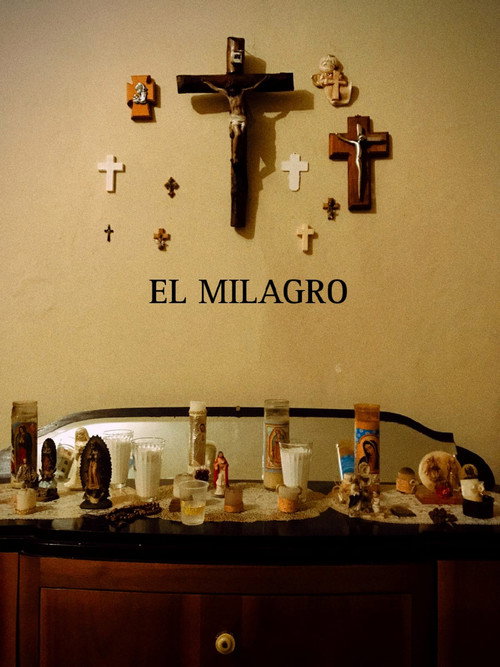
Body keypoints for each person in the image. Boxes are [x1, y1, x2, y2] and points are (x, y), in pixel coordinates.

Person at [202, 76, 268, 163]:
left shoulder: (241, 94)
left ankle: (238, 154)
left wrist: (263, 79)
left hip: (243, 118)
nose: (232, 89)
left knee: (242, 138)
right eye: (230, 88)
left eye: (233, 87)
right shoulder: (228, 96)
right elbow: (216, 88)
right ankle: (234, 155)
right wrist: (207, 82)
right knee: (238, 134)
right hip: (234, 119)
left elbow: (253, 87)